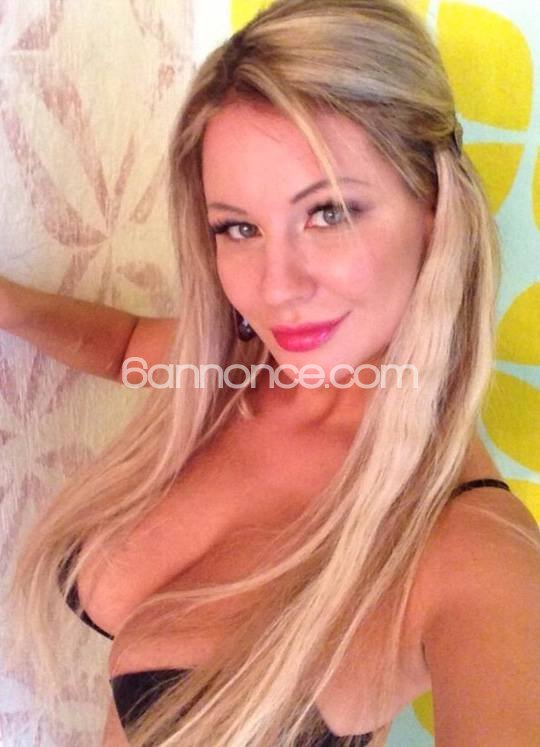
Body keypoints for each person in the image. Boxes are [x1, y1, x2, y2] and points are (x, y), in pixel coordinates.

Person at [6, 0, 540, 745]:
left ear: (434, 208)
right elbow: (124, 346)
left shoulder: (475, 552)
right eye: (239, 227)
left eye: (329, 212)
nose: (276, 287)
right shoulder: (230, 374)